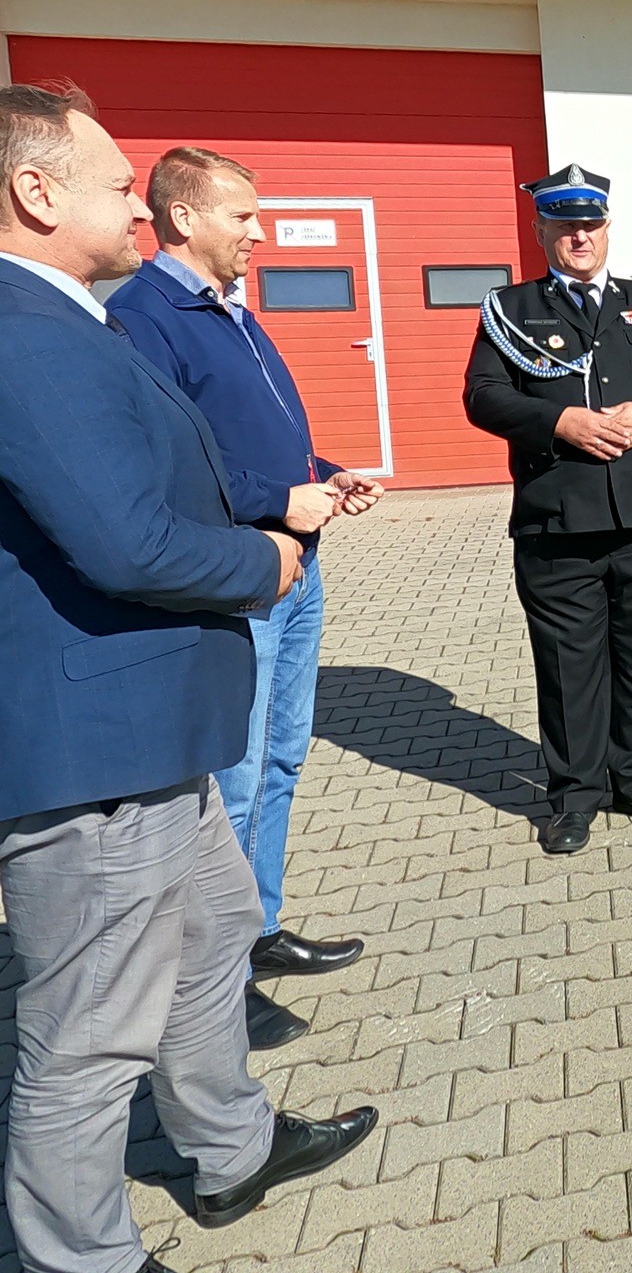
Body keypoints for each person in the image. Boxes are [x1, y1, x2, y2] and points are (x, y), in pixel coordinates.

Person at [0, 84, 374, 1273]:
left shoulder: (68, 316)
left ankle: (230, 1146)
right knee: (88, 1035)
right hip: (95, 745)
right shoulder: (22, 329)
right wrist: (263, 560)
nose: (137, 207)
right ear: (35, 192)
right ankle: (76, 1256)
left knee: (215, 927)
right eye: (119, 186)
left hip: (149, 726)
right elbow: (126, 541)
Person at [109, 147, 384, 1053]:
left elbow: (250, 438)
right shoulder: (145, 318)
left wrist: (323, 475)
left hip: (295, 567)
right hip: (239, 574)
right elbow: (166, 461)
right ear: (184, 218)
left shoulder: (230, 309)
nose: (259, 233)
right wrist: (275, 501)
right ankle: (216, 984)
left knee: (281, 760)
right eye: (243, 216)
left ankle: (258, 929)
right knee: (233, 778)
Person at [463, 164, 632, 856]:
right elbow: (483, 396)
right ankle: (574, 797)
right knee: (568, 666)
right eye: (565, 224)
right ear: (541, 230)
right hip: (558, 520)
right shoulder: (509, 309)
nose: (580, 236)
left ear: (607, 228)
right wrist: (561, 422)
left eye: (591, 224)